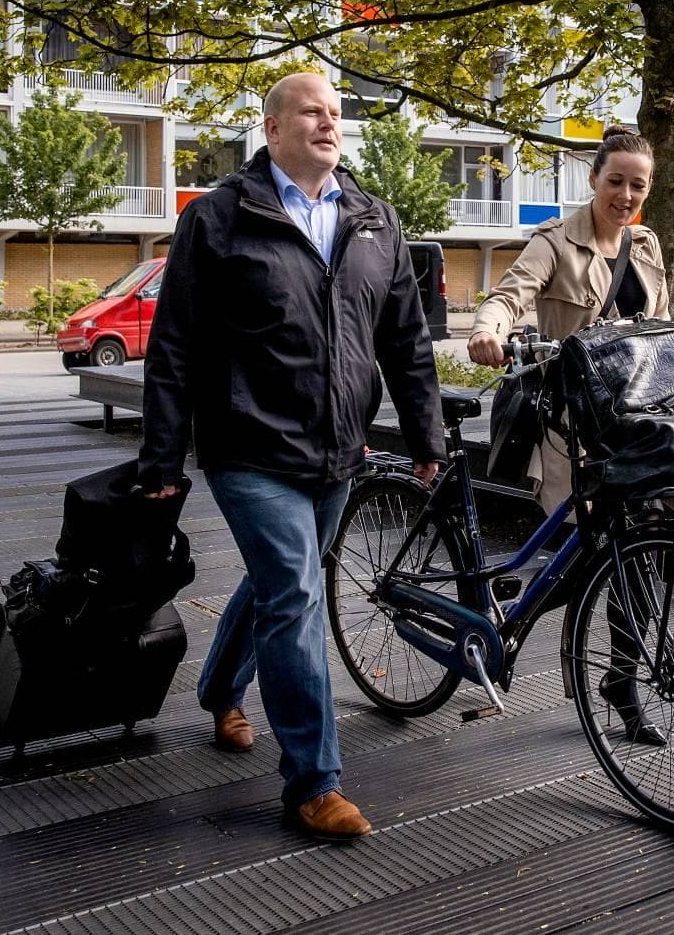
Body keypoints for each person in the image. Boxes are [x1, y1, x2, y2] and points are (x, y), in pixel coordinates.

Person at [137, 72, 445, 843]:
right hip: (248, 445)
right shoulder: (218, 218)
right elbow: (174, 347)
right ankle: (314, 782)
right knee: (298, 594)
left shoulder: (375, 220)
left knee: (285, 582)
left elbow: (405, 342)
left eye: (337, 113)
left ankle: (217, 688)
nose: (329, 122)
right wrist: (162, 459)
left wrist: (429, 439)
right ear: (272, 129)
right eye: (313, 110)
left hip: (339, 447)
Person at [466, 128, 670, 744]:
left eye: (638, 185)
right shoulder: (556, 242)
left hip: (630, 425)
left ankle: (618, 677)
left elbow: (662, 329)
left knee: (641, 554)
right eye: (616, 181)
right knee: (597, 556)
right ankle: (512, 622)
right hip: (569, 431)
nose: (626, 194)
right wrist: (487, 331)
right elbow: (509, 296)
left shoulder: (648, 245)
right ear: (594, 179)